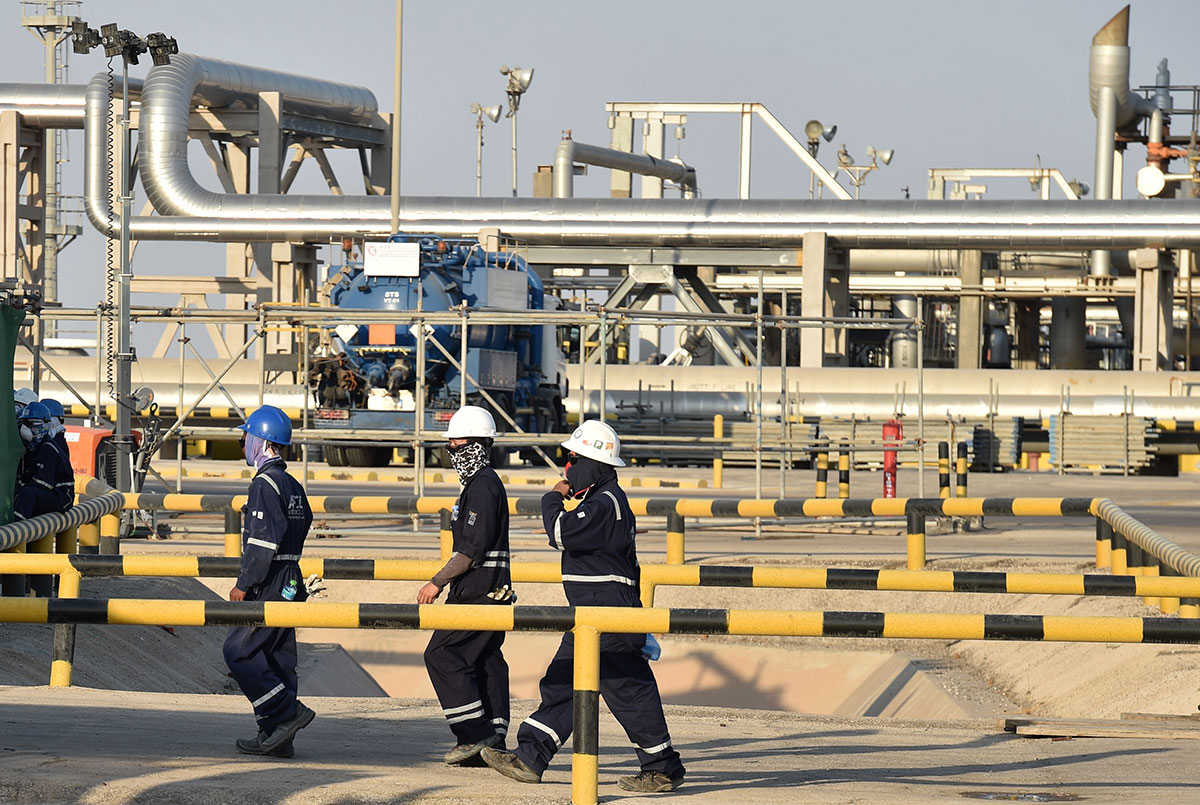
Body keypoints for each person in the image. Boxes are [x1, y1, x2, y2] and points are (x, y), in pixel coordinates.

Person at [481, 420, 685, 793]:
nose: (568, 468)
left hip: (606, 616)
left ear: (593, 463)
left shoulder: (605, 504)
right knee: (563, 683)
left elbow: (560, 532)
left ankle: (663, 768)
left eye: (572, 459)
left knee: (628, 691)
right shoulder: (602, 501)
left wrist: (552, 497)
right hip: (593, 616)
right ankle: (530, 757)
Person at [420, 404, 514, 766]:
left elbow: (470, 551)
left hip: (479, 591)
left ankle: (474, 734)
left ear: (476, 446)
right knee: (485, 659)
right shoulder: (480, 485)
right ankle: (494, 738)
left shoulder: (482, 487)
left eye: (456, 446)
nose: (452, 453)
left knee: (442, 654)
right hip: (485, 590)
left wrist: (436, 582)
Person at [222, 405, 315, 758]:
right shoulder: (291, 483)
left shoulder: (263, 483)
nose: (243, 441)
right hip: (291, 576)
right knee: (277, 656)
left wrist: (245, 583)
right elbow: (303, 522)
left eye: (246, 435)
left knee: (239, 650)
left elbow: (261, 542)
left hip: (271, 579)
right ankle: (278, 738)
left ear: (261, 440)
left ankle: (285, 715)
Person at [13, 402, 73, 522]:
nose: (25, 428)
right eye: (23, 424)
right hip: (49, 492)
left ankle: (18, 532)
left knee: (27, 494)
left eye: (29, 424)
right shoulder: (31, 449)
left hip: (61, 496)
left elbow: (43, 482)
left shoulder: (48, 448)